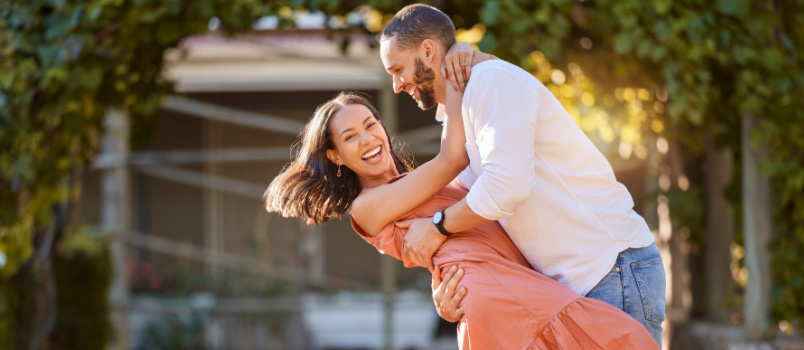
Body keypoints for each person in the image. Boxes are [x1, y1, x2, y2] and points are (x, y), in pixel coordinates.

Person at [264, 89, 659, 349]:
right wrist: (454, 75)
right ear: (335, 156)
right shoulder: (366, 207)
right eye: (350, 137)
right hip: (502, 297)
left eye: (370, 125)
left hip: (508, 288)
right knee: (622, 340)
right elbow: (454, 156)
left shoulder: (422, 182)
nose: (368, 139)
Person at [379, 4, 666, 346]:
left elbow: (506, 187)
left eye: (398, 69)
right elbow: (483, 219)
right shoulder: (457, 117)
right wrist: (446, 287)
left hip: (608, 269)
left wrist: (438, 226)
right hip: (569, 288)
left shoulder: (491, 82)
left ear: (428, 50)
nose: (396, 85)